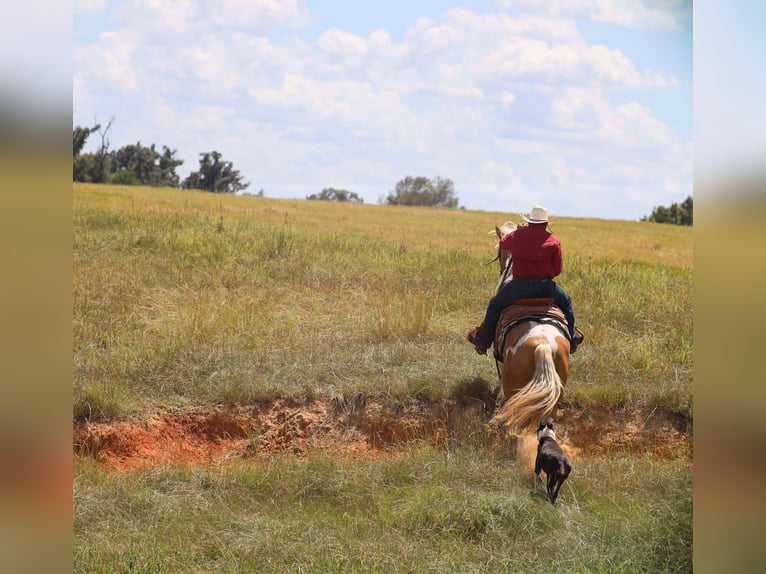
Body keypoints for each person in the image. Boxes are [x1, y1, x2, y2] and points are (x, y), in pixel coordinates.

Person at [468, 205, 580, 355]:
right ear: (546, 223)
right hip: (545, 288)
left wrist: (518, 231)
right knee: (566, 302)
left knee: (495, 305)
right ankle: (572, 340)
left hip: (518, 288)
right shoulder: (554, 241)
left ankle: (483, 342)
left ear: (529, 221)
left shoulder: (518, 236)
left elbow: (503, 244)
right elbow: (557, 269)